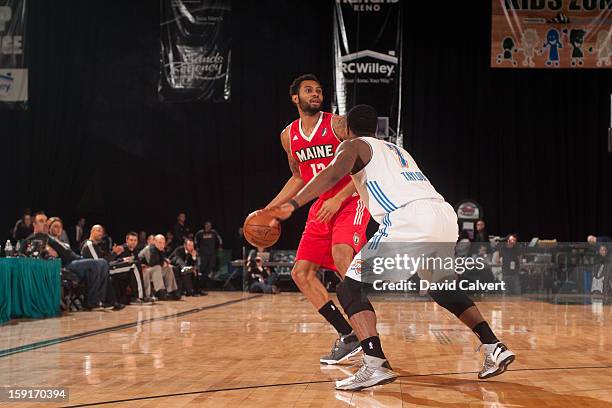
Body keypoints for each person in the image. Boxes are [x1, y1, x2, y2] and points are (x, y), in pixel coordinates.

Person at [268, 104, 515, 390]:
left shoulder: (353, 146)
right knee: (441, 288)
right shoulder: (397, 150)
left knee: (349, 287)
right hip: (443, 217)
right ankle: (493, 345)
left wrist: (293, 203)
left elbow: (333, 174)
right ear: (376, 128)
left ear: (346, 129)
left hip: (408, 220)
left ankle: (374, 363)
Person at [263, 74, 370, 365]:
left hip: (350, 199)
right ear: (295, 98)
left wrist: (338, 198)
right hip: (321, 205)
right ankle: (348, 336)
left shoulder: (337, 124)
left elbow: (364, 167)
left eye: (319, 90)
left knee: (342, 258)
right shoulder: (288, 136)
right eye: (308, 90)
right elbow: (298, 177)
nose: (315, 94)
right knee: (301, 274)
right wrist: (269, 210)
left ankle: (371, 343)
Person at [23, 212, 112, 310]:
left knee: (103, 263)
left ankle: (100, 300)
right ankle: (92, 302)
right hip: (66, 264)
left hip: (74, 260)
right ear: (34, 224)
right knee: (98, 263)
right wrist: (47, 250)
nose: (45, 224)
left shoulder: (54, 239)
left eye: (45, 221)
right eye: (41, 221)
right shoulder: (38, 238)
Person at [138, 234, 181, 300]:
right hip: (143, 271)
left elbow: (162, 260)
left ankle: (171, 291)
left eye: (163, 243)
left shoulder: (159, 249)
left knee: (168, 268)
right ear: (154, 242)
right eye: (160, 242)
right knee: (157, 267)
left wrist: (165, 263)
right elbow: (152, 263)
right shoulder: (149, 249)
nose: (162, 245)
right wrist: (162, 263)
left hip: (151, 270)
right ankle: (160, 292)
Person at [111, 231, 147, 304]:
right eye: (131, 240)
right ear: (126, 240)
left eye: (135, 240)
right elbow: (112, 261)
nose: (133, 242)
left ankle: (142, 296)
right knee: (134, 265)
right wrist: (123, 259)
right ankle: (139, 297)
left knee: (141, 268)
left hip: (128, 274)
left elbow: (137, 260)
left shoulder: (135, 250)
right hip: (116, 272)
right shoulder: (121, 248)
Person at [194, 221, 222, 286]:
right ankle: (201, 283)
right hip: (203, 254)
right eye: (207, 225)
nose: (208, 226)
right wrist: (196, 248)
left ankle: (206, 282)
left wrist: (220, 247)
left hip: (212, 253)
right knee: (202, 268)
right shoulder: (200, 233)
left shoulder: (214, 232)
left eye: (210, 225)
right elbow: (195, 240)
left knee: (210, 267)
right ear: (205, 226)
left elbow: (219, 239)